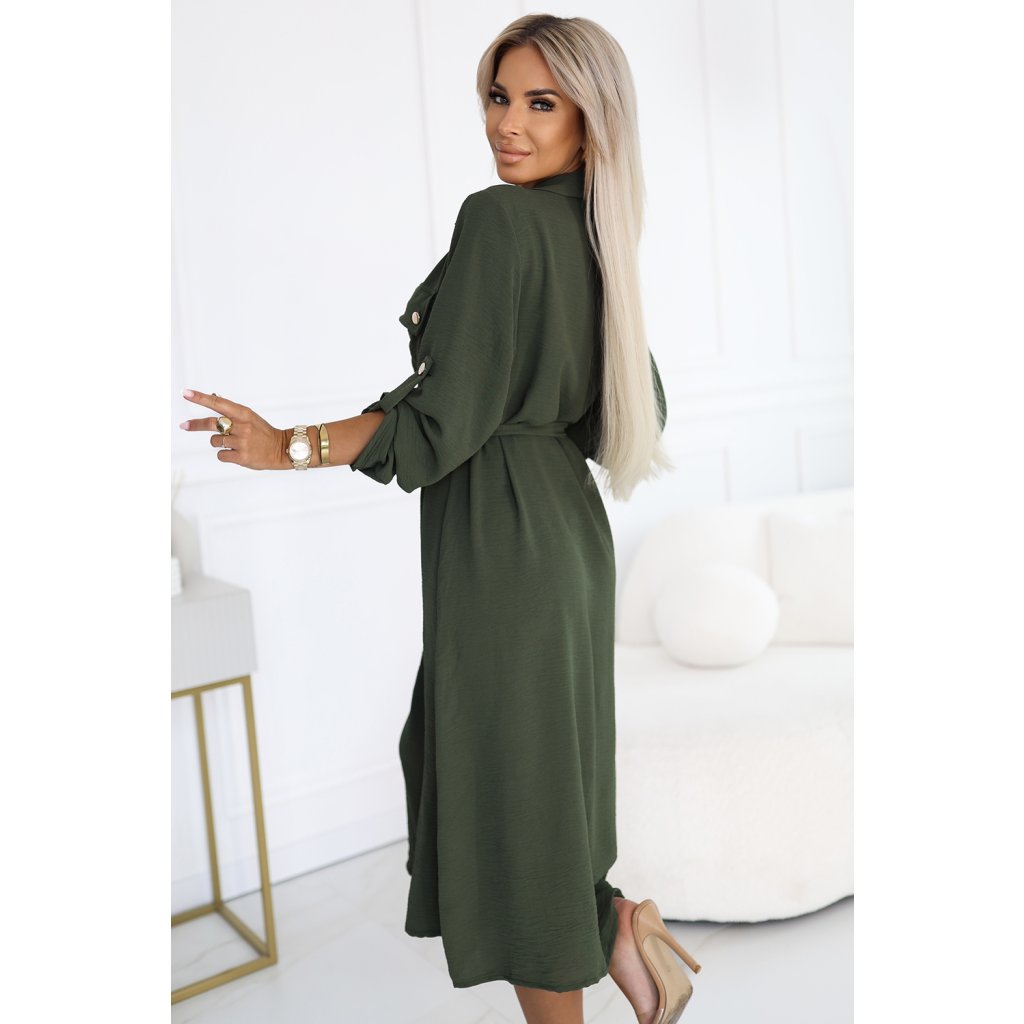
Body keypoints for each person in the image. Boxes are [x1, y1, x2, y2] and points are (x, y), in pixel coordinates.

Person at [180, 13, 702, 1024]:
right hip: (562, 539)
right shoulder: (598, 238)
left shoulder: (500, 222)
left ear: (591, 122)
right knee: (519, 776)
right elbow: (630, 409)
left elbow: (438, 422)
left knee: (510, 813)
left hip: (506, 552)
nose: (508, 124)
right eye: (498, 98)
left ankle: (591, 938)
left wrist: (285, 445)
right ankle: (614, 926)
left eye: (540, 103)